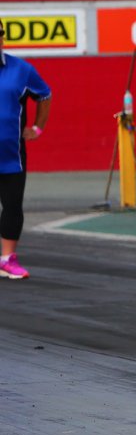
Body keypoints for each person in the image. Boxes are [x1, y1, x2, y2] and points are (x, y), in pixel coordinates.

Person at [0, 24, 52, 279]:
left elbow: (44, 94)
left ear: (2, 38)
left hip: (11, 156)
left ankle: (7, 259)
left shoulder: (22, 70)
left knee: (12, 206)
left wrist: (38, 128)